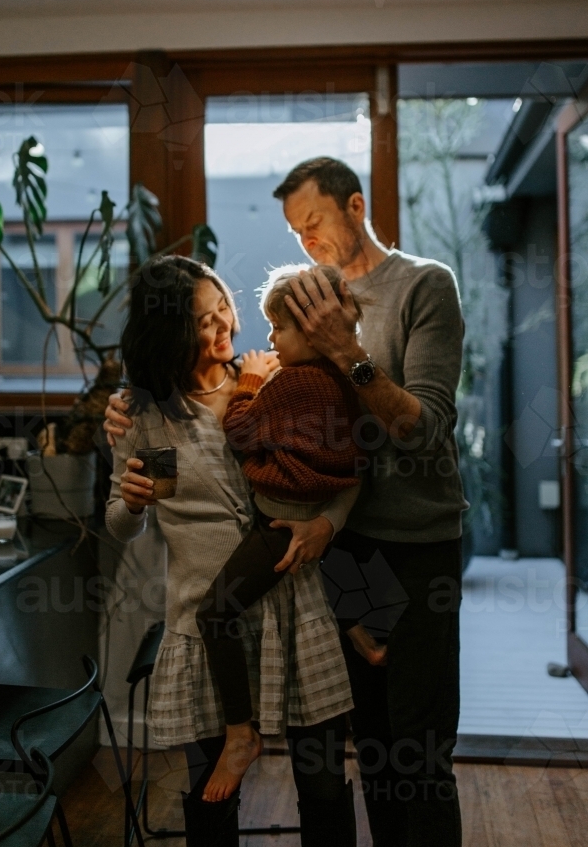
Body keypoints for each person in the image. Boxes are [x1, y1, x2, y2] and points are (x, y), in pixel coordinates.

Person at [105, 157, 467, 847]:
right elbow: (210, 438)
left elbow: (413, 436)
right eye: (294, 230)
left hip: (398, 551)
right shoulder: (288, 312)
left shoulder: (417, 289)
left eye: (314, 223)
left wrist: (342, 352)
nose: (305, 241)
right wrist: (125, 420)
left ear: (354, 207)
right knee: (371, 751)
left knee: (411, 753)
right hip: (316, 564)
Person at [105, 254, 357, 847]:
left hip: (294, 610)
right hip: (203, 623)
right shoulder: (144, 417)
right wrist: (133, 503)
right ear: (169, 332)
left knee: (323, 785)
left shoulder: (273, 379)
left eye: (226, 309)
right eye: (205, 321)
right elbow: (120, 525)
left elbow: (341, 472)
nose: (227, 327)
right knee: (211, 801)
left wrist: (327, 524)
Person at [199, 264, 385, 804]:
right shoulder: (340, 378)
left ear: (310, 328)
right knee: (322, 573)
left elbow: (239, 432)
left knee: (215, 611)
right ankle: (363, 631)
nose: (271, 340)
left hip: (278, 520)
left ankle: (241, 732)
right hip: (314, 516)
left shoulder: (297, 382)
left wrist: (252, 381)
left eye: (278, 329)